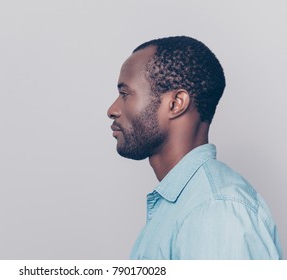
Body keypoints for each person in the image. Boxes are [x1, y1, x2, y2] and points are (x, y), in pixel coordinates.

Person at [107, 36, 282, 259]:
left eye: (124, 94)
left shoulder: (215, 211)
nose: (112, 109)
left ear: (176, 103)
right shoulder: (185, 207)